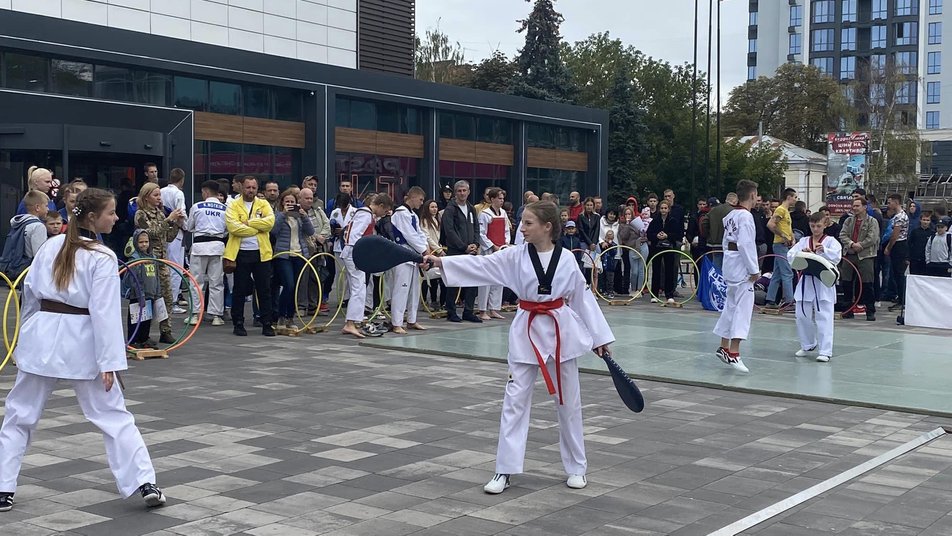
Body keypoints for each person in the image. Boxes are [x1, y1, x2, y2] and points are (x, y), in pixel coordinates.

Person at [423, 201, 613, 495]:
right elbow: (481, 265)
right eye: (522, 222)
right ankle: (505, 468)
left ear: (547, 227)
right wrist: (441, 262)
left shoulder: (567, 260)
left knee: (569, 403)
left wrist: (600, 339)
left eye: (528, 223)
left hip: (561, 333)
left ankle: (577, 467)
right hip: (527, 332)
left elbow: (582, 299)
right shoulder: (514, 256)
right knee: (514, 402)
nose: (521, 228)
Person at [0, 188, 166, 513]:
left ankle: (3, 486)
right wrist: (110, 362)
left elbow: (30, 295)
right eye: (111, 213)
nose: (115, 218)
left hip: (43, 335)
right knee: (112, 414)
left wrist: (26, 340)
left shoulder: (52, 245)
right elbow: (104, 313)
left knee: (20, 414)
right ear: (92, 217)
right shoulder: (101, 256)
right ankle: (143, 481)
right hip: (82, 340)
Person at [713, 180, 760, 374]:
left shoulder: (731, 215)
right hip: (742, 266)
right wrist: (754, 269)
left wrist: (728, 260)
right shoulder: (746, 217)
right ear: (752, 195)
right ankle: (734, 351)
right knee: (743, 310)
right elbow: (745, 245)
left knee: (731, 307)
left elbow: (726, 242)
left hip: (731, 263)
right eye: (756, 195)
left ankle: (724, 346)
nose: (757, 199)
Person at [224, 176, 276, 337]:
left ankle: (267, 323)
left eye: (254, 187)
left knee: (264, 289)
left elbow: (270, 223)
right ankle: (238, 323)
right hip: (240, 253)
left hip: (262, 253)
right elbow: (233, 227)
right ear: (242, 188)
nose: (251, 190)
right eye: (248, 187)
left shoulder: (263, 204)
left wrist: (248, 223)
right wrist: (257, 227)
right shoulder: (233, 205)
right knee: (239, 289)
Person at [788, 212, 842, 363]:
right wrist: (802, 253)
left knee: (824, 316)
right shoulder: (804, 241)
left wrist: (824, 250)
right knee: (801, 315)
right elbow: (791, 255)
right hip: (806, 281)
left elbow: (837, 257)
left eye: (818, 226)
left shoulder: (831, 242)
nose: (815, 229)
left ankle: (825, 351)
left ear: (825, 225)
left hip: (823, 282)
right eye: (812, 226)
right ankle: (808, 344)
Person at [133, 183, 184, 344]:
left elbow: (168, 237)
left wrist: (176, 223)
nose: (159, 198)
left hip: (162, 262)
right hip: (148, 262)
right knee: (147, 297)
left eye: (159, 195)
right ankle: (142, 334)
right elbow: (151, 233)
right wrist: (169, 220)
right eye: (155, 195)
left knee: (166, 297)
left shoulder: (160, 213)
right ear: (146, 196)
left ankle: (166, 330)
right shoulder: (141, 214)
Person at [340, 193, 393, 338]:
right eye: (385, 211)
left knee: (359, 288)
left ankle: (354, 321)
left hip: (352, 252)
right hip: (354, 253)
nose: (384, 214)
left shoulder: (364, 213)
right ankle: (351, 323)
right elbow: (354, 236)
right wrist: (360, 254)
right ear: (380, 206)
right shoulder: (365, 214)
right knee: (358, 288)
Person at [270, 189, 316, 330]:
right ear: (282, 203)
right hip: (284, 255)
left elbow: (310, 232)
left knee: (295, 287)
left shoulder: (299, 217)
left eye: (292, 202)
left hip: (299, 255)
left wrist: (304, 216)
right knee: (288, 285)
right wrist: (283, 214)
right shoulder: (278, 215)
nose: (290, 204)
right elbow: (273, 231)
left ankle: (290, 317)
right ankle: (281, 315)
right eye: (287, 202)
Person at [185, 180, 227, 326]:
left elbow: (189, 227)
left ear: (206, 192)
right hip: (217, 246)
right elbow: (227, 230)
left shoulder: (197, 206)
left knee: (196, 282)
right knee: (217, 283)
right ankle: (216, 316)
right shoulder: (225, 209)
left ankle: (195, 314)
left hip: (199, 247)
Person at [441, 180, 482, 323]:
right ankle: (451, 312)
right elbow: (449, 231)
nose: (462, 193)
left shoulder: (471, 208)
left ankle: (468, 311)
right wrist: (463, 246)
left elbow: (476, 228)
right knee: (454, 282)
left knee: (473, 281)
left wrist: (476, 243)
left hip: (471, 250)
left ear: (469, 192)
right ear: (455, 193)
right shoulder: (450, 209)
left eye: (464, 190)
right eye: (459, 191)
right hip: (455, 250)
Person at [390, 187, 430, 333]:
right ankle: (396, 322)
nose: (421, 203)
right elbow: (409, 235)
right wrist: (423, 250)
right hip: (402, 254)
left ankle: (412, 320)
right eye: (420, 199)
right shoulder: (400, 213)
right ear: (412, 197)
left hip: (414, 255)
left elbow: (419, 233)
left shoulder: (413, 214)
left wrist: (425, 246)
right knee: (401, 288)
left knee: (414, 289)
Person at [123, 229, 165, 349]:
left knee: (147, 319)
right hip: (137, 295)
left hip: (150, 293)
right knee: (135, 319)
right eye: (141, 242)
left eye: (146, 242)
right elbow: (134, 279)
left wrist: (157, 293)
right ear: (136, 243)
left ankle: (144, 338)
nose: (144, 244)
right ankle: (133, 340)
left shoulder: (153, 257)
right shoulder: (134, 258)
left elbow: (156, 276)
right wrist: (140, 294)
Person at [839, 197, 879, 321]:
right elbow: (842, 234)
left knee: (867, 284)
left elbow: (872, 237)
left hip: (865, 255)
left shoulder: (872, 221)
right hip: (849, 254)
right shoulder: (848, 221)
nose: (854, 208)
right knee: (847, 282)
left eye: (857, 206)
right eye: (854, 206)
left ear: (865, 207)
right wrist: (851, 244)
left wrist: (860, 245)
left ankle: (870, 311)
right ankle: (848, 310)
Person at [477, 187, 511, 320]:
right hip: (488, 250)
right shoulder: (484, 214)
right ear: (492, 199)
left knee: (498, 278)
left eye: (503, 198)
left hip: (501, 249)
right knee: (485, 279)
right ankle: (482, 310)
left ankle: (494, 308)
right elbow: (481, 233)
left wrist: (505, 244)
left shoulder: (503, 213)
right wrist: (492, 246)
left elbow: (507, 231)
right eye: (499, 198)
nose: (502, 201)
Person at [1, 190, 50, 278]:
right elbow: (39, 255)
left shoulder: (18, 223)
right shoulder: (38, 226)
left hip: (12, 268)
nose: (48, 209)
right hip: (28, 272)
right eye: (46, 206)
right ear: (37, 207)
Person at [298, 187, 331, 314]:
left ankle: (314, 305)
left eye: (311, 198)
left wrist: (321, 236)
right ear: (300, 199)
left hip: (318, 249)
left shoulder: (318, 211)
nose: (309, 201)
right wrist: (315, 236)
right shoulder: (297, 213)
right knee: (303, 278)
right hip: (303, 249)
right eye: (306, 198)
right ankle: (301, 306)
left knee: (316, 277)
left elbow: (327, 225)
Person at [765, 188, 798, 309]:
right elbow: (771, 224)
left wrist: (792, 238)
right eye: (795, 197)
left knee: (777, 273)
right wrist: (783, 235)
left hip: (783, 244)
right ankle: (789, 300)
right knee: (787, 272)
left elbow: (787, 227)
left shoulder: (785, 211)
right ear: (789, 197)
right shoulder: (781, 210)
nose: (796, 200)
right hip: (780, 244)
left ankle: (770, 300)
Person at [160, 168, 188, 313]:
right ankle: (172, 302)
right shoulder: (178, 193)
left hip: (162, 230)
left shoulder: (161, 191)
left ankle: (163, 300)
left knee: (163, 266)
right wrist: (187, 226)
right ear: (182, 180)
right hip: (175, 232)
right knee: (176, 267)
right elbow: (180, 214)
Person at [647, 200, 683, 304]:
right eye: (662, 208)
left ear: (668, 209)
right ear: (659, 209)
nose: (663, 210)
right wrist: (656, 236)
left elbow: (678, 234)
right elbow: (649, 234)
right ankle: (654, 294)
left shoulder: (673, 221)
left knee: (669, 271)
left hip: (669, 247)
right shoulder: (654, 221)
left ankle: (669, 294)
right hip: (656, 248)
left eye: (665, 208)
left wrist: (667, 236)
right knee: (656, 271)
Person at [884, 194, 910, 312]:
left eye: (890, 202)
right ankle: (900, 298)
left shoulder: (900, 217)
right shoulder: (899, 215)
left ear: (896, 202)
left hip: (899, 245)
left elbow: (895, 235)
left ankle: (902, 300)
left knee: (898, 274)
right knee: (896, 273)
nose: (888, 205)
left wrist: (888, 248)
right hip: (900, 245)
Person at [419, 199, 445, 309]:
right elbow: (427, 237)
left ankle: (435, 300)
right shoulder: (424, 221)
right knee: (427, 277)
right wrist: (438, 249)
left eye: (436, 207)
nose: (434, 209)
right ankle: (424, 301)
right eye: (432, 207)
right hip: (429, 250)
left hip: (438, 250)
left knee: (436, 277)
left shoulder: (438, 219)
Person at [909, 211, 934, 276]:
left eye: (927, 220)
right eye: (924, 220)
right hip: (915, 260)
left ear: (930, 221)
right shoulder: (915, 232)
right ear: (920, 220)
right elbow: (909, 244)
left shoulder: (932, 233)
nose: (925, 222)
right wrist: (907, 257)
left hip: (927, 260)